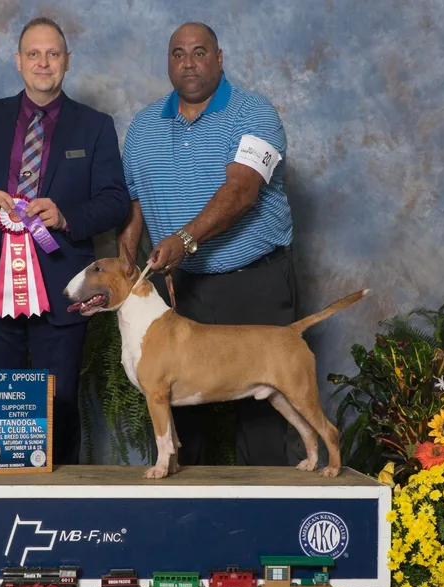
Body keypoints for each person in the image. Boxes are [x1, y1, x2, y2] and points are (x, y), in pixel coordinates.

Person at [0, 17, 129, 465]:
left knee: (59, 409)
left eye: (53, 54)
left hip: (63, 285)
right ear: (18, 63)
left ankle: (59, 504)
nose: (44, 62)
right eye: (34, 54)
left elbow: (114, 201)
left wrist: (66, 215)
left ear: (66, 62)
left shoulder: (96, 125)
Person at [117, 22, 298, 467]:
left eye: (199, 52)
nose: (189, 62)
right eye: (178, 54)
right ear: (168, 63)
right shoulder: (142, 127)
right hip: (180, 290)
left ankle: (265, 525)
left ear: (219, 58)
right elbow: (132, 208)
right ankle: (183, 528)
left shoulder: (255, 114)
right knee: (179, 421)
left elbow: (242, 191)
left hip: (253, 282)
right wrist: (126, 272)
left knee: (261, 421)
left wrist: (183, 238)